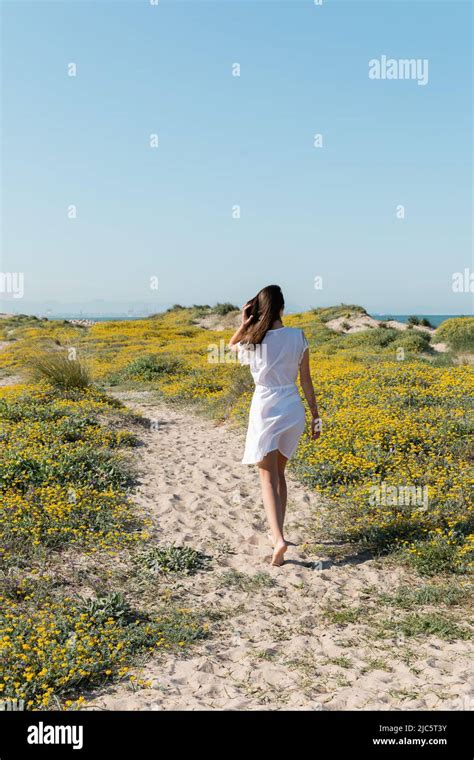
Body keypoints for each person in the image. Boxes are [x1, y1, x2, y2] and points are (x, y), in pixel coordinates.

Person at [229, 284, 321, 566]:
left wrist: (244, 324)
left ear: (258, 310)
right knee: (279, 473)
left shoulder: (253, 341)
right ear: (282, 307)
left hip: (266, 407)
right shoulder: (298, 336)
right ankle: (276, 533)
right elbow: (306, 380)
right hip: (292, 407)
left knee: (267, 477)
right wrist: (316, 415)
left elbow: (231, 348)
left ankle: (278, 540)